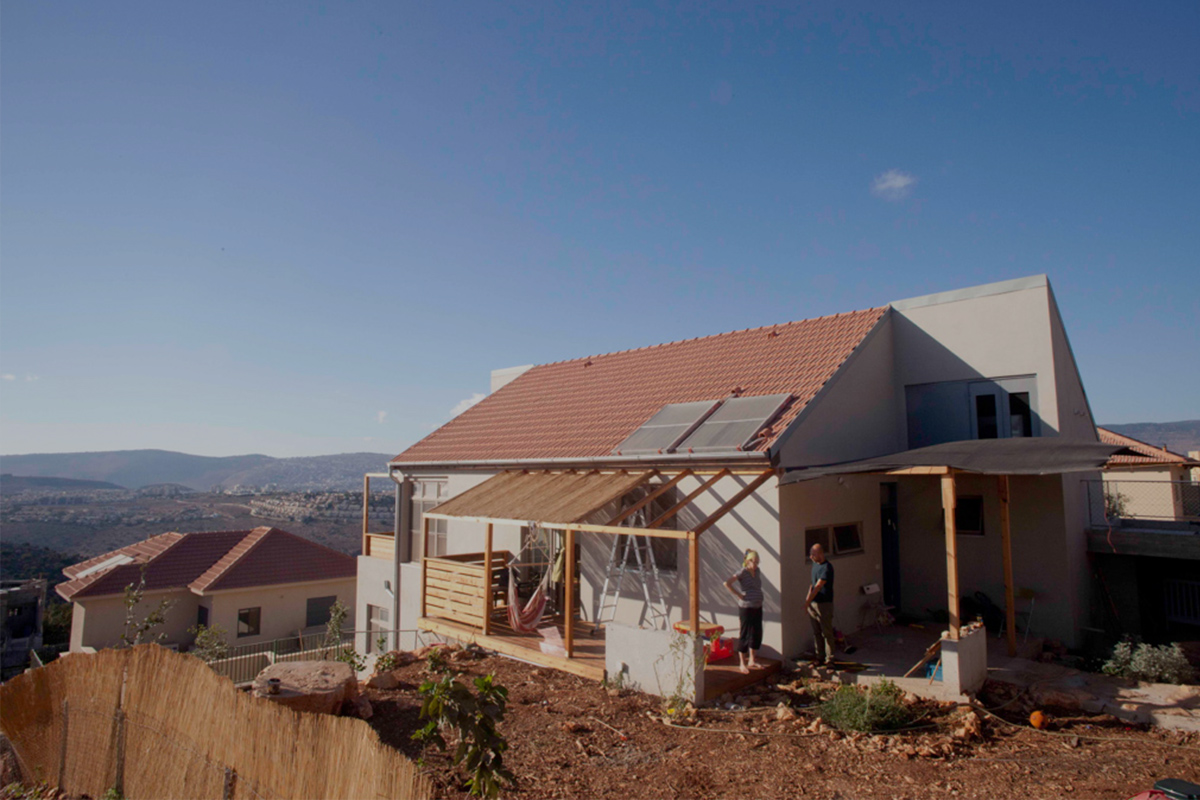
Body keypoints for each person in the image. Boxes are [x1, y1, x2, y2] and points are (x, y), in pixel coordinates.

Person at [724, 549, 763, 674]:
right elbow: (727, 583)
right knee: (745, 633)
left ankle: (752, 659)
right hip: (746, 607)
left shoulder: (757, 571)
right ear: (747, 561)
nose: (756, 564)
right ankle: (742, 663)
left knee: (756, 632)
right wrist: (738, 595)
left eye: (757, 562)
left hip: (757, 606)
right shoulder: (742, 572)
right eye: (753, 561)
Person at [806, 543, 836, 667]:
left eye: (814, 554)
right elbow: (812, 584)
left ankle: (830, 659)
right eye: (811, 554)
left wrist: (807, 602)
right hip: (813, 603)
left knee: (826, 632)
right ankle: (820, 657)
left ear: (821, 554)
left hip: (824, 604)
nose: (811, 557)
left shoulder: (827, 568)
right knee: (816, 632)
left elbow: (818, 586)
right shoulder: (814, 565)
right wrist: (807, 600)